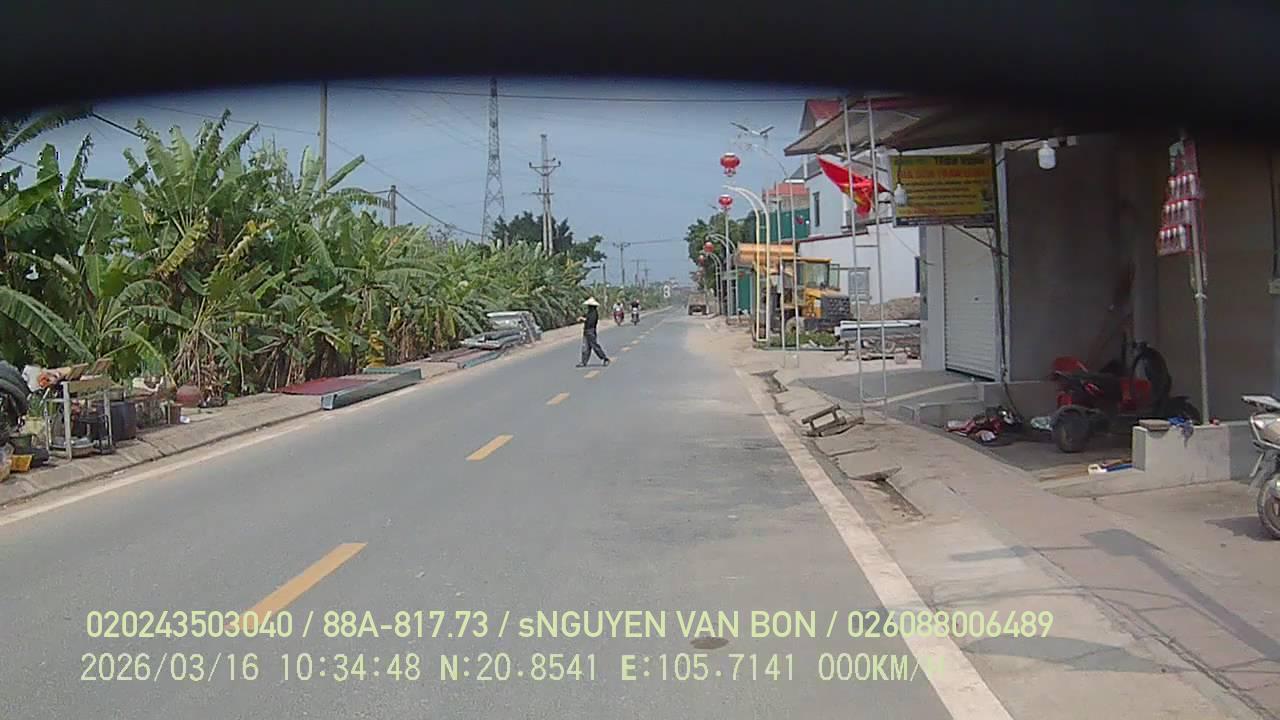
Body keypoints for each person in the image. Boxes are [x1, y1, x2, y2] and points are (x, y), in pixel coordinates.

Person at [577, 297, 610, 367]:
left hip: (591, 331)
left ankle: (605, 358)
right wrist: (582, 318)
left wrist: (583, 319)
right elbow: (585, 317)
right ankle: (583, 362)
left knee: (595, 346)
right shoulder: (589, 313)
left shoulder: (594, 313)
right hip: (586, 331)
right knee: (585, 347)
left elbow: (590, 322)